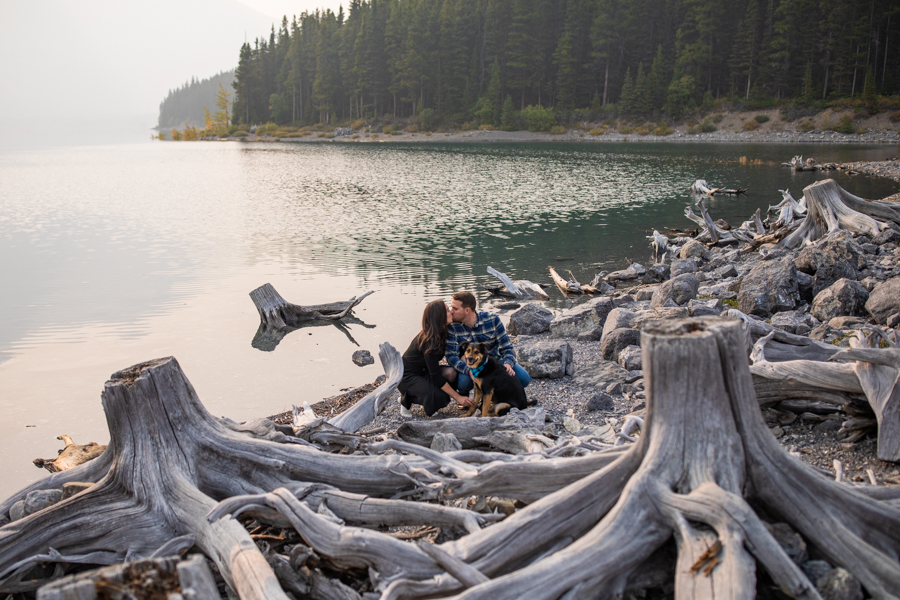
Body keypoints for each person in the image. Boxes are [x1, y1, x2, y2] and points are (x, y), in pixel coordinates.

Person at [398, 300, 475, 417]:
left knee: (451, 372)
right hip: (407, 375)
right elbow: (436, 376)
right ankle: (406, 400)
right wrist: (458, 397)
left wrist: (472, 369)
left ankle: (419, 394)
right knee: (440, 398)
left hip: (424, 371)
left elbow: (457, 353)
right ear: (440, 316)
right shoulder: (429, 340)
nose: (451, 312)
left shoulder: (444, 332)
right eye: (448, 311)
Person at [445, 291, 531, 395]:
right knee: (463, 383)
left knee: (524, 378)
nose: (451, 311)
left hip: (495, 363)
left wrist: (508, 363)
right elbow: (451, 356)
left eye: (455, 308)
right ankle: (464, 395)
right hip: (471, 364)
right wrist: (468, 370)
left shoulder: (492, 320)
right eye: (451, 307)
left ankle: (499, 395)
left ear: (467, 310)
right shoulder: (452, 327)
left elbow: (507, 347)